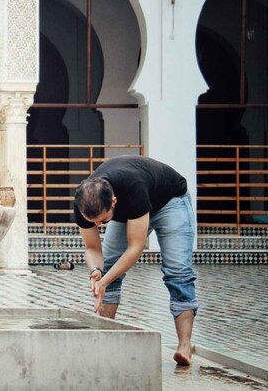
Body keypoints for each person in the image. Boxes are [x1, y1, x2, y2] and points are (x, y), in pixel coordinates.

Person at [73, 155, 198, 366]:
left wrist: (104, 281)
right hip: (131, 209)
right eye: (93, 222)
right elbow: (92, 247)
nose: (100, 226)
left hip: (170, 201)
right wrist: (96, 271)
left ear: (113, 201)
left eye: (103, 221)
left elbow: (135, 247)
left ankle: (184, 345)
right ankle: (104, 339)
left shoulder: (133, 186)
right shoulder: (83, 204)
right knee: (108, 270)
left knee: (178, 271)